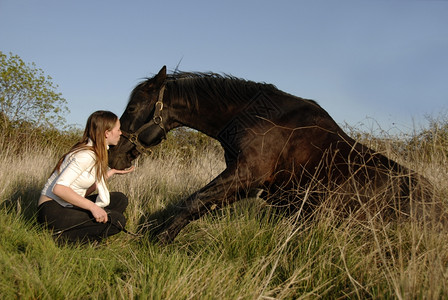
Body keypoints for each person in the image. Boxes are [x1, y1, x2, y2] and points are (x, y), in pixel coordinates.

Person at [37, 110, 134, 244]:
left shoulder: (94, 151)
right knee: (117, 221)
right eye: (118, 129)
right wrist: (93, 208)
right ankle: (63, 239)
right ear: (107, 133)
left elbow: (80, 191)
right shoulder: (85, 156)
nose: (121, 133)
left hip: (67, 205)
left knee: (119, 200)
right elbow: (59, 189)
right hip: (53, 210)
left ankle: (85, 236)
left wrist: (109, 173)